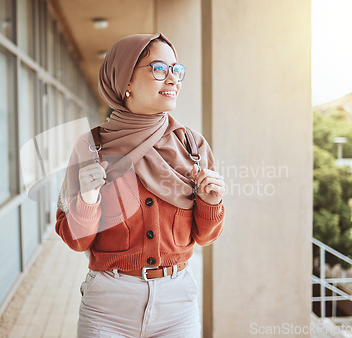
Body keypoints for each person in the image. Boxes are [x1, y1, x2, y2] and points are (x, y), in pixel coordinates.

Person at [55, 33, 225, 337]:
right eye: (159, 69)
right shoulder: (92, 146)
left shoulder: (192, 145)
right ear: (125, 81)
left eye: (177, 70)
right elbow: (75, 240)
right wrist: (89, 197)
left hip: (177, 304)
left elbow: (205, 237)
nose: (172, 79)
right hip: (107, 306)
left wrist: (211, 203)